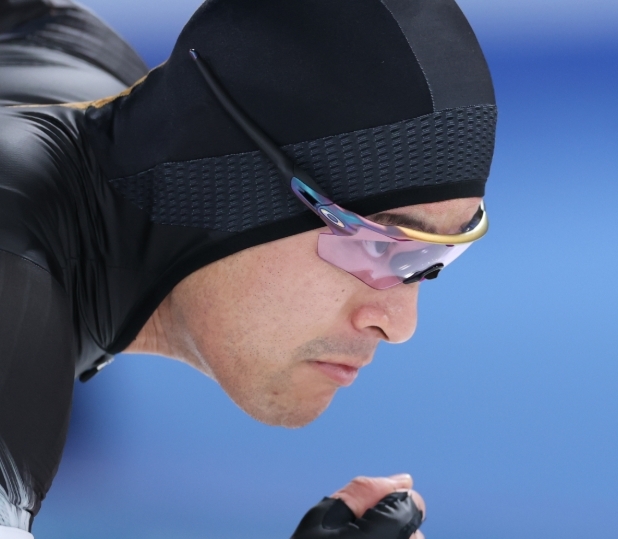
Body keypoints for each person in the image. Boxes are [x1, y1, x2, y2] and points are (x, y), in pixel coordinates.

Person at [0, 0, 497, 537]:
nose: (400, 324)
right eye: (377, 246)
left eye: (433, 262)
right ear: (227, 193)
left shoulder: (82, 63)